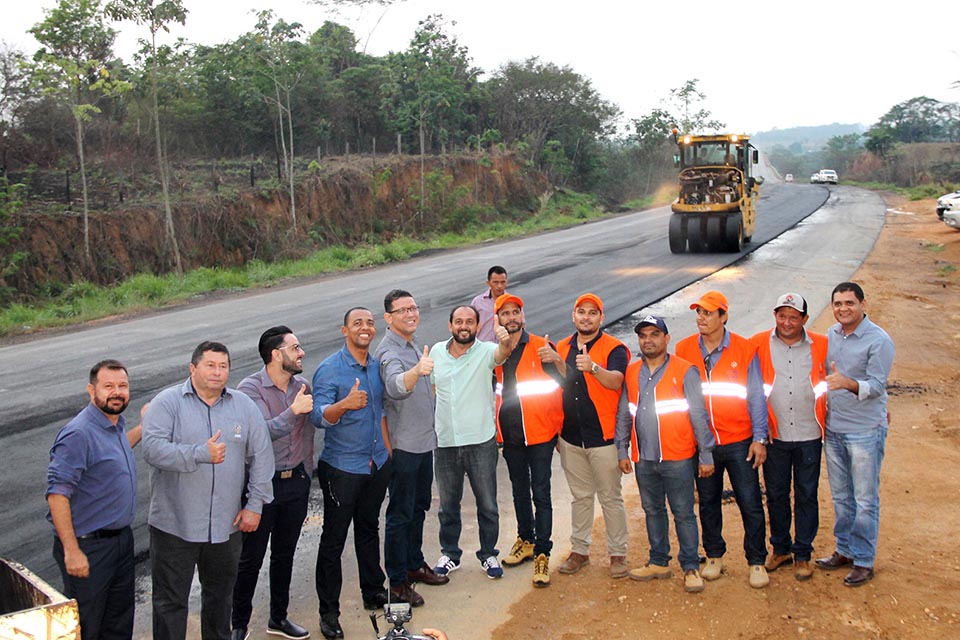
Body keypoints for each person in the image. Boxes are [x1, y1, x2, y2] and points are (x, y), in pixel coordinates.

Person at [142, 341, 275, 640]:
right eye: (210, 365)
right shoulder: (168, 402)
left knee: (219, 600)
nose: (217, 372)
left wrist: (255, 505)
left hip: (225, 527)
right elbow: (151, 449)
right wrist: (199, 453)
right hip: (174, 527)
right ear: (193, 368)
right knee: (169, 603)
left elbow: (262, 456)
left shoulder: (243, 406)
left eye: (223, 366)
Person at [674, 290, 771, 588]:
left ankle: (756, 561)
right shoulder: (684, 348)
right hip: (703, 444)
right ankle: (714, 555)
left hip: (739, 440)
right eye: (698, 312)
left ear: (724, 316)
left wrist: (759, 438)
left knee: (750, 502)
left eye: (708, 313)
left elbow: (755, 395)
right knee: (708, 502)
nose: (701, 318)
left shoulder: (744, 348)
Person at [615, 315, 716, 593]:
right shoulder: (633, 372)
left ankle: (691, 566)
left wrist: (705, 454)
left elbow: (698, 414)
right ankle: (658, 560)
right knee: (652, 510)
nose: (648, 340)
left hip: (678, 457)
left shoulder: (686, 370)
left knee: (683, 513)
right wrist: (622, 448)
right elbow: (625, 412)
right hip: (645, 458)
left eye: (654, 334)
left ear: (666, 339)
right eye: (643, 335)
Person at [311, 307, 391, 639]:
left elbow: (383, 412)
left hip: (376, 463)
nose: (365, 327)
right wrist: (344, 404)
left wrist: (389, 455)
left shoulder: (375, 366)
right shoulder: (330, 369)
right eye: (357, 323)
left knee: (369, 529)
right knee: (333, 540)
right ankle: (329, 613)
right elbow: (317, 417)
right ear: (344, 330)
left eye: (370, 323)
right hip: (343, 468)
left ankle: (373, 591)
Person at [45, 359, 141, 640]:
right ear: (91, 390)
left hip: (121, 542)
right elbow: (57, 494)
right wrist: (71, 550)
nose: (116, 392)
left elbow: (118, 448)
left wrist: (145, 427)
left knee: (118, 622)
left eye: (122, 386)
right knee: (88, 625)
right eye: (108, 386)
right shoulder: (79, 433)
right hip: (89, 548)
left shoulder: (113, 426)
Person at [231, 326, 315, 640]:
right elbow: (257, 436)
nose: (301, 352)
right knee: (249, 559)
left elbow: (310, 427)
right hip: (261, 486)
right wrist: (293, 412)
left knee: (284, 554)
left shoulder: (302, 385)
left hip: (296, 482)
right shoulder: (249, 389)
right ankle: (238, 624)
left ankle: (278, 618)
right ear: (276, 355)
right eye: (295, 348)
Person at [815, 282, 895, 587]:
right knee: (842, 496)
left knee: (864, 499)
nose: (843, 309)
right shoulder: (832, 336)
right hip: (834, 429)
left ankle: (863, 560)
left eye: (849, 303)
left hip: (864, 431)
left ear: (862, 304)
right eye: (837, 304)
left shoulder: (879, 340)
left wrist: (848, 383)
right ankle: (845, 550)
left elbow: (876, 385)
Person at [375, 290, 449, 609]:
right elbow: (393, 385)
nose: (411, 313)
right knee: (400, 514)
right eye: (402, 310)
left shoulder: (413, 344)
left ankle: (414, 563)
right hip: (404, 447)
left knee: (418, 507)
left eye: (414, 308)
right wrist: (416, 373)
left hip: (423, 443)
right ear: (388, 318)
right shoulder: (389, 352)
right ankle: (398, 580)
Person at [551, 293, 631, 579]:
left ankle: (618, 553)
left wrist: (594, 368)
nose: (586, 317)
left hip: (604, 438)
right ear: (574, 316)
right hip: (571, 438)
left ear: (601, 317)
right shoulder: (562, 346)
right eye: (581, 312)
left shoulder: (615, 348)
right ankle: (579, 551)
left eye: (592, 313)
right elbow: (560, 385)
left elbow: (617, 382)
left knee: (611, 498)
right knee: (581, 497)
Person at [750, 293, 828, 582]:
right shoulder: (758, 343)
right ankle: (780, 549)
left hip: (809, 432)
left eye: (793, 316)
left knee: (807, 494)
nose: (786, 322)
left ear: (804, 320)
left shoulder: (822, 344)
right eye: (782, 315)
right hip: (776, 434)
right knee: (777, 494)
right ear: (775, 317)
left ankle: (804, 554)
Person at [430, 304, 512, 579]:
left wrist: (504, 341)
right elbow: (431, 387)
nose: (464, 326)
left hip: (480, 441)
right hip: (445, 443)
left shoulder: (487, 351)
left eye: (470, 322)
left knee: (487, 503)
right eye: (458, 321)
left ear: (478, 326)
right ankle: (450, 554)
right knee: (448, 505)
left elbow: (502, 354)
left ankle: (488, 554)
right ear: (450, 324)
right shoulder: (436, 353)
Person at [493, 294, 564, 587]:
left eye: (515, 312)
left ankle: (543, 552)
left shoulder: (540, 347)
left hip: (540, 433)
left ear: (523, 316)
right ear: (497, 320)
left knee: (541, 492)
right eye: (505, 313)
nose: (511, 318)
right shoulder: (495, 352)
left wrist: (558, 430)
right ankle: (526, 539)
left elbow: (563, 386)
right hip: (510, 435)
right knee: (519, 491)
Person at [470, 265, 508, 342]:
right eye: (495, 282)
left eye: (503, 282)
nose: (499, 286)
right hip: (482, 348)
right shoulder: (477, 302)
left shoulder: (512, 303)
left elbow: (521, 325)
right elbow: (470, 326)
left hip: (505, 348)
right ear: (488, 283)